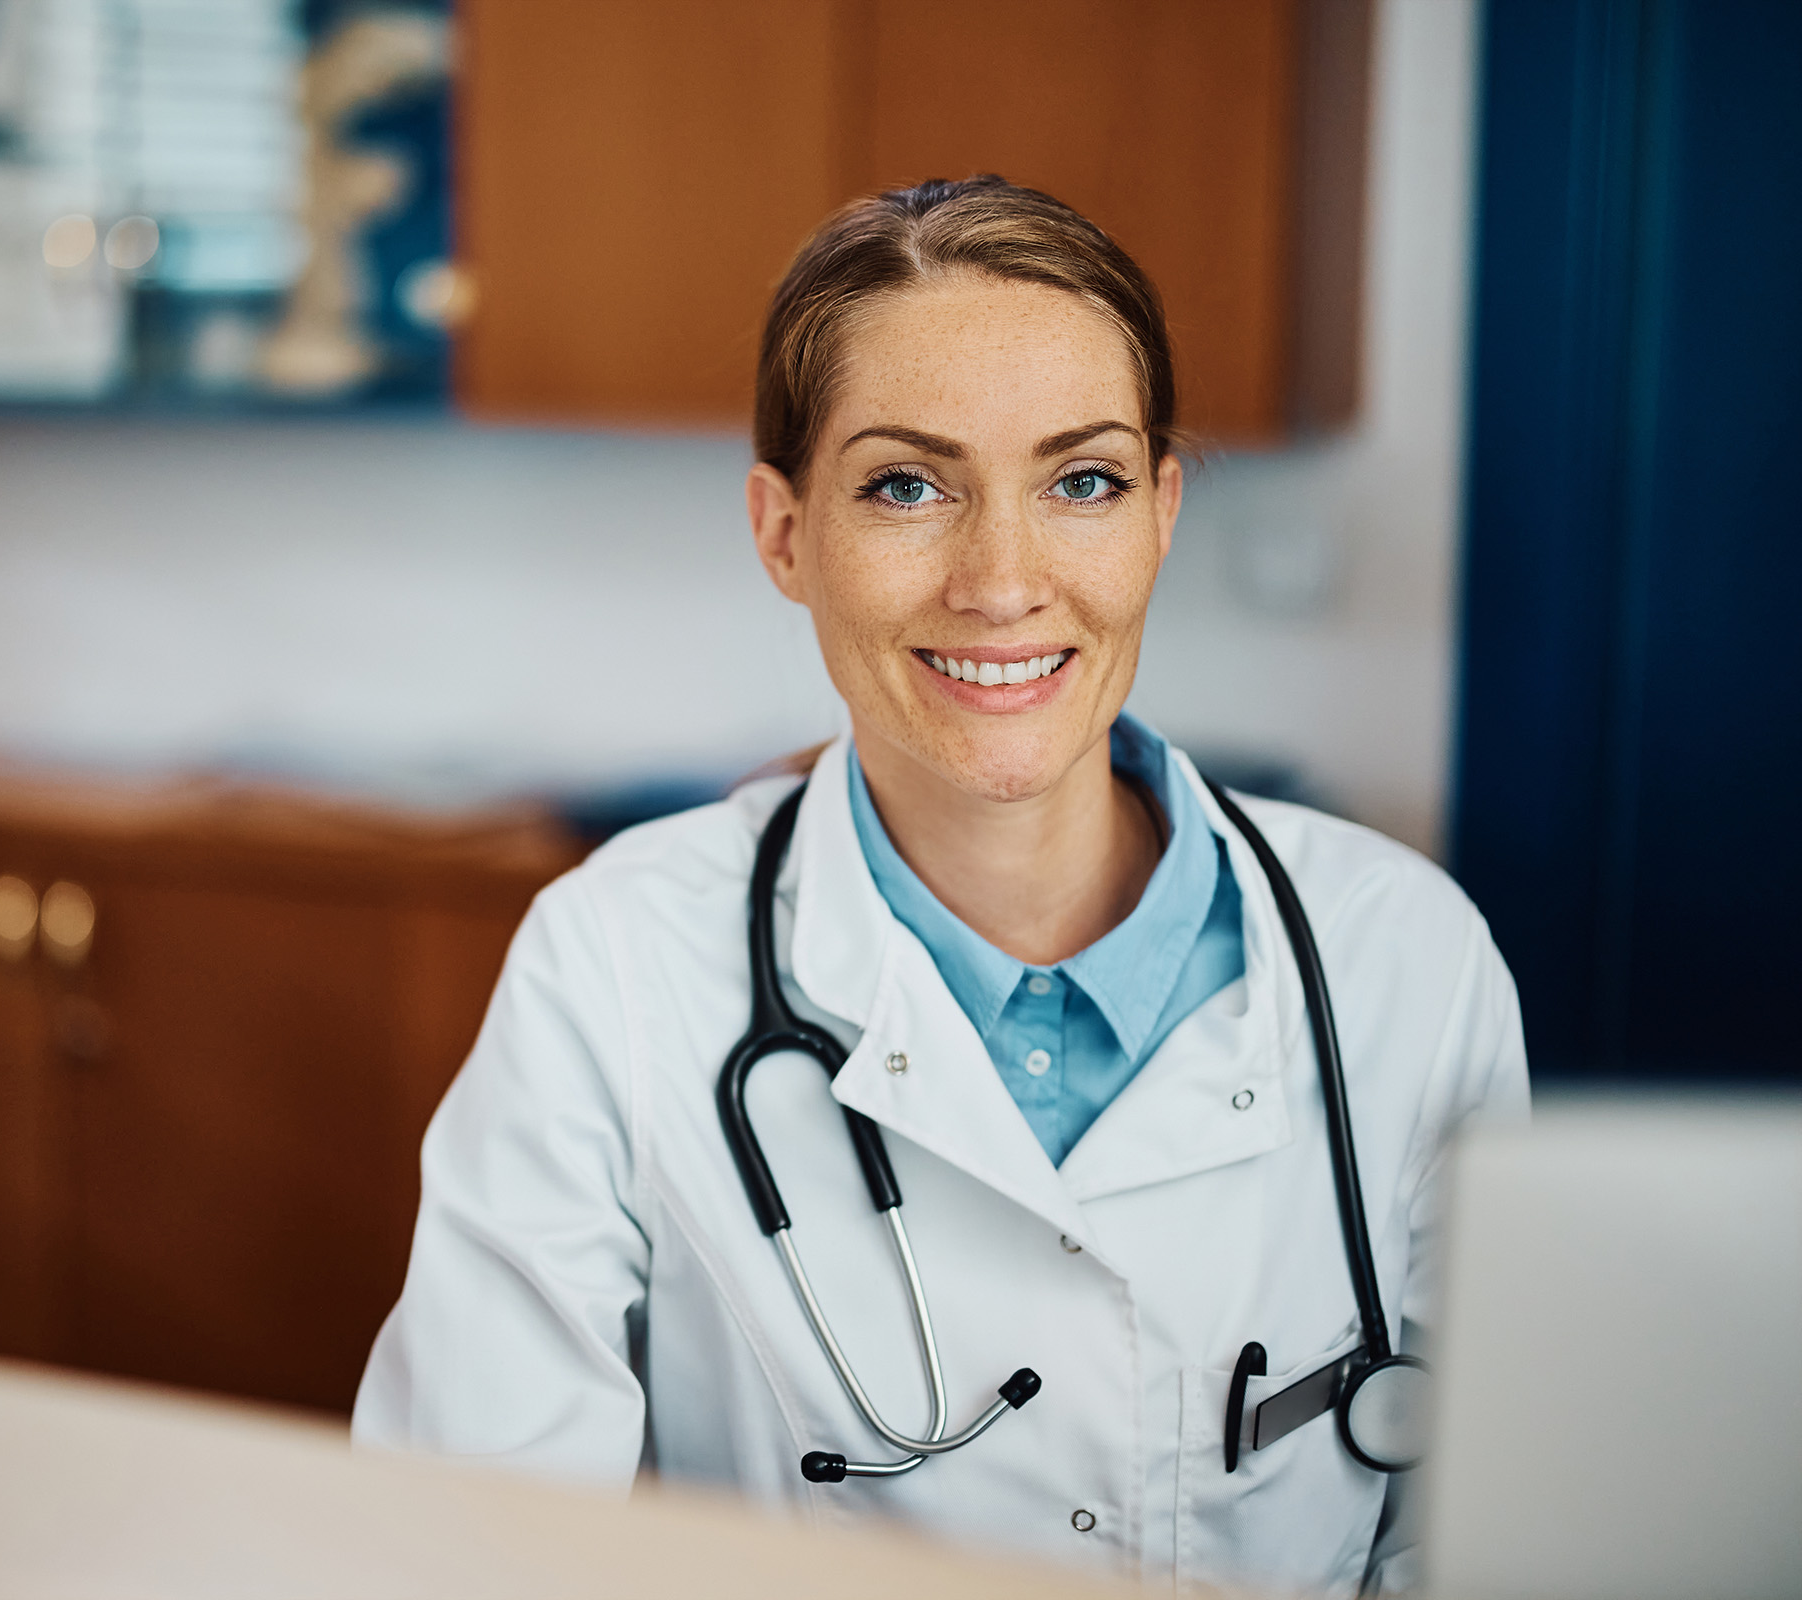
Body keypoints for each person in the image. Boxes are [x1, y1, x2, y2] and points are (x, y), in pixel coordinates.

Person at [353, 176, 1527, 1595]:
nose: (1002, 579)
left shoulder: (1406, 956)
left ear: (1160, 513)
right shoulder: (611, 966)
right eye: (907, 485)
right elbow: (470, 1549)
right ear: (786, 534)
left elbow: (1486, 1540)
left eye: (1080, 481)